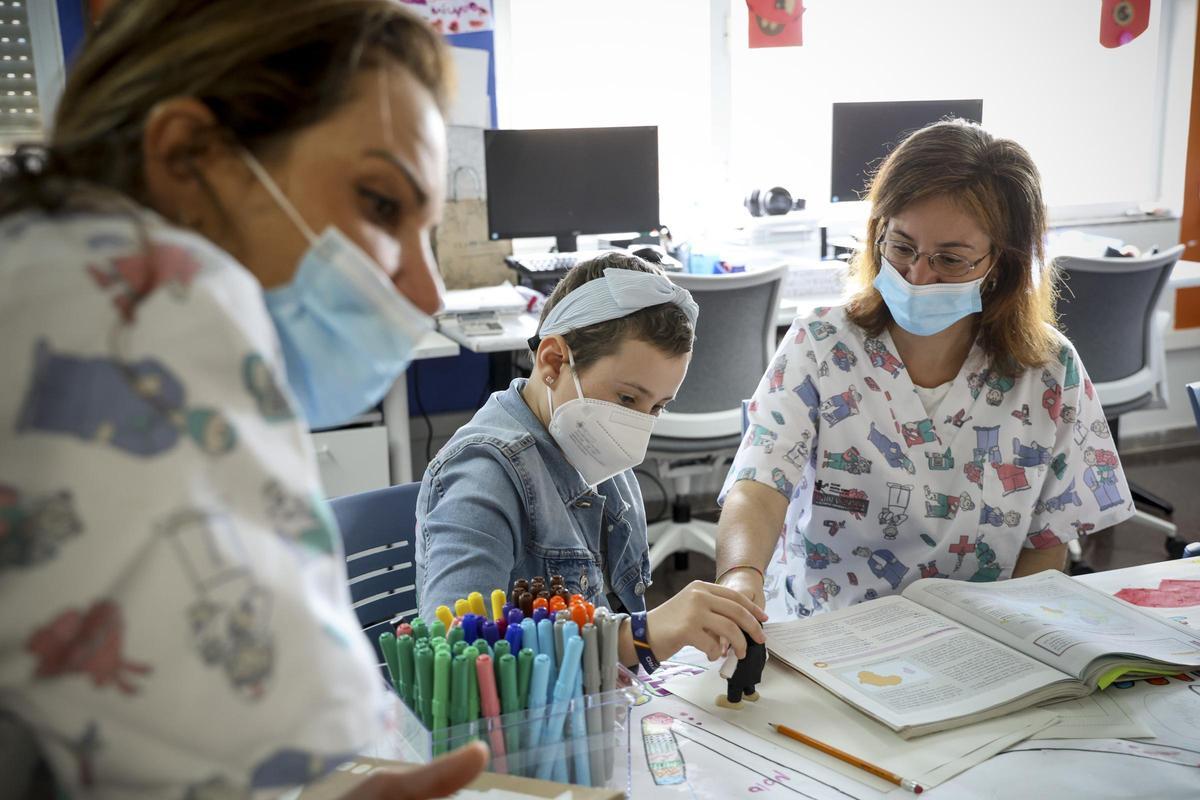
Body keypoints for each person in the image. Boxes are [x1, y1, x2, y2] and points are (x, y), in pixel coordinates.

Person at [0, 1, 489, 796]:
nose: (429, 293)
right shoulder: (127, 309)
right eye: (379, 204)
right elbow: (280, 740)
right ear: (189, 156)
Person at [714, 120, 1134, 621]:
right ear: (878, 232)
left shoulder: (1047, 371)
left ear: (1001, 263)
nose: (917, 275)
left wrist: (1014, 635)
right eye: (901, 247)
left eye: (950, 260)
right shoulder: (821, 345)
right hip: (827, 626)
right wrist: (740, 576)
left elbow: (1047, 539)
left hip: (979, 633)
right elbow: (758, 485)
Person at [416, 254, 767, 669]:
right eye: (627, 398)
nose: (638, 425)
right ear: (553, 361)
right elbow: (459, 658)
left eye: (657, 407)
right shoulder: (483, 476)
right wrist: (643, 635)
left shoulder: (598, 456)